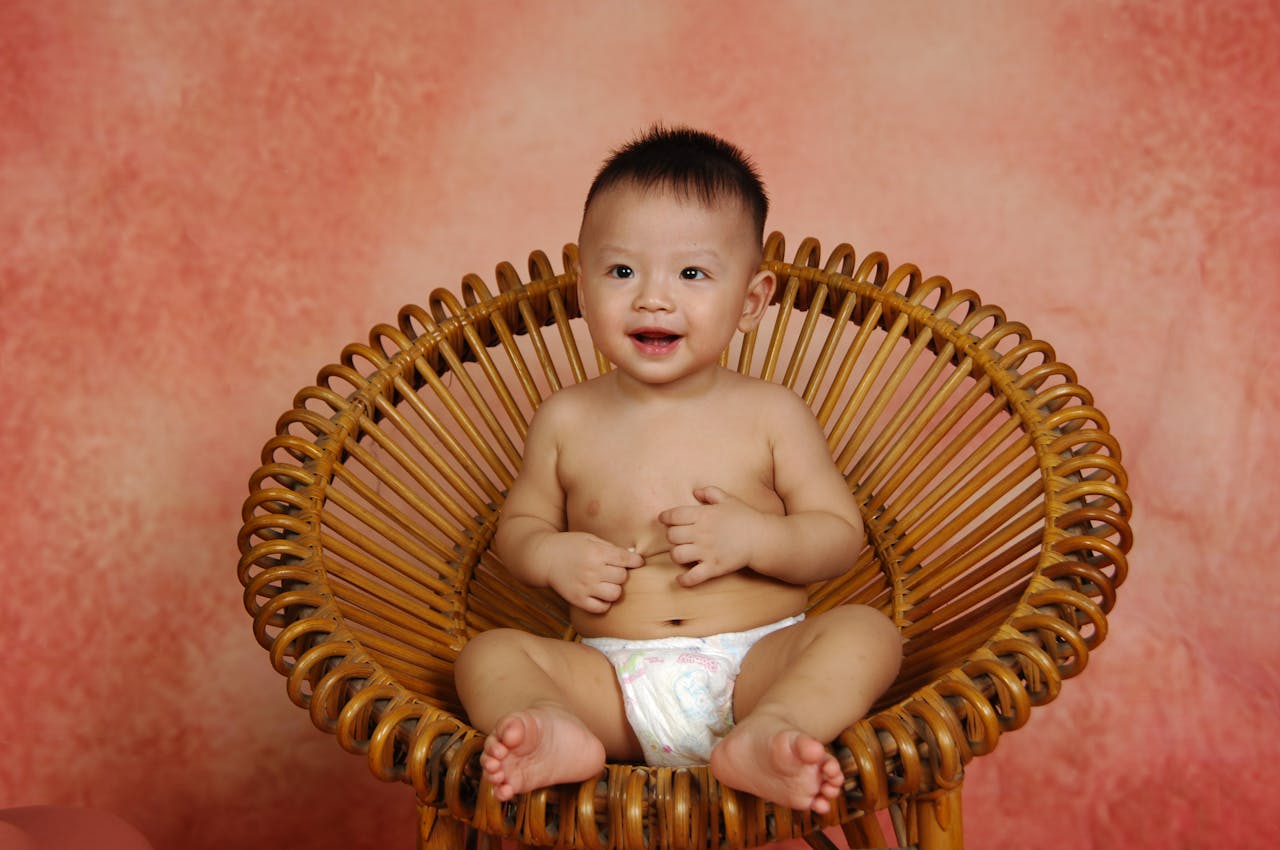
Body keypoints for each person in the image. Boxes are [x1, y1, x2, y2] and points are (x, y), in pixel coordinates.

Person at [454, 125, 902, 814]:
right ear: (582, 291)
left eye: (691, 274)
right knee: (486, 655)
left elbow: (840, 535)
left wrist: (758, 537)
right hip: (611, 681)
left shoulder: (771, 414)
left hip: (758, 666)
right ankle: (554, 725)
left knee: (867, 634)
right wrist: (549, 553)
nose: (652, 299)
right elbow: (518, 526)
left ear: (750, 301)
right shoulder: (566, 419)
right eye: (622, 272)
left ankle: (775, 729)